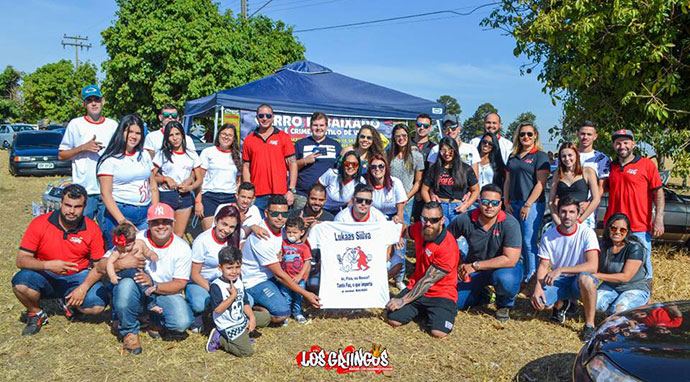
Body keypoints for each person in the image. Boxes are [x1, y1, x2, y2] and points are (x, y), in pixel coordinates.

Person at [11, 184, 108, 335]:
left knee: (97, 307)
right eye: (68, 205)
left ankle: (66, 303)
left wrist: (83, 288)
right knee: (21, 284)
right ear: (61, 203)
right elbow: (21, 260)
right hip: (44, 274)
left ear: (84, 207)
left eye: (77, 207)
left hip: (77, 276)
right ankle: (36, 313)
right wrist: (48, 265)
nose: (71, 211)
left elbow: (99, 266)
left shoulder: (92, 228)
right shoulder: (40, 223)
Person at [107, 203, 194, 354]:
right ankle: (129, 332)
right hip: (135, 289)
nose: (161, 226)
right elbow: (102, 264)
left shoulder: (182, 248)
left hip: (162, 292)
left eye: (165, 221)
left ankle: (149, 319)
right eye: (155, 222)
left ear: (173, 223)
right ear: (148, 224)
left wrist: (154, 285)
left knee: (181, 323)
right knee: (126, 285)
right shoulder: (135, 238)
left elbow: (180, 284)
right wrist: (122, 264)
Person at [449, 184, 522, 322]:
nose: (490, 206)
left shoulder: (510, 223)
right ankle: (484, 295)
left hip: (503, 269)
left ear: (500, 204)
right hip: (474, 269)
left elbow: (510, 259)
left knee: (506, 280)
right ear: (479, 202)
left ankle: (503, 304)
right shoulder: (465, 219)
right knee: (456, 302)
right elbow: (447, 240)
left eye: (494, 203)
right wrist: (459, 262)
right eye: (485, 202)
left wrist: (475, 265)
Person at [241, 195, 320, 323]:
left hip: (272, 277)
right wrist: (306, 294)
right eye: (275, 213)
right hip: (255, 281)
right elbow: (280, 275)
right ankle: (251, 305)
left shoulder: (284, 230)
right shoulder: (262, 237)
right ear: (266, 213)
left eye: (284, 214)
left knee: (289, 295)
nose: (280, 217)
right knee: (282, 314)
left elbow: (299, 247)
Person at [386, 202, 460, 338]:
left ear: (442, 221)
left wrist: (403, 301)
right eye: (424, 218)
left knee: (438, 332)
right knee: (393, 319)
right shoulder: (420, 228)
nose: (428, 223)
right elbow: (404, 232)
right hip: (416, 285)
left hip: (441, 293)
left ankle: (433, 312)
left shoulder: (448, 246)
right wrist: (396, 227)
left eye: (434, 220)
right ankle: (421, 311)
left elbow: (427, 281)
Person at [530, 196, 600, 342]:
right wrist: (538, 287)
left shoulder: (587, 233)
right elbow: (543, 265)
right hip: (560, 280)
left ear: (578, 213)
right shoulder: (549, 235)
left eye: (571, 212)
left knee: (586, 279)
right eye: (563, 212)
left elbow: (593, 265)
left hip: (578, 279)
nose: (567, 216)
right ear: (557, 212)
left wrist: (560, 270)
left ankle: (589, 325)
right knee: (541, 304)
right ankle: (564, 303)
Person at [604, 129, 664, 283]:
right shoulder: (610, 167)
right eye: (618, 143)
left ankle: (646, 300)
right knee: (614, 265)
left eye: (625, 142)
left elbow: (658, 193)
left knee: (644, 268)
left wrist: (659, 218)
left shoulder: (646, 165)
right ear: (613, 145)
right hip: (614, 227)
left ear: (633, 144)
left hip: (639, 227)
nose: (622, 146)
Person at [58, 85, 118, 223]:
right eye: (89, 100)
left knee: (108, 234)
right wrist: (83, 148)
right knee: (81, 231)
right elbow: (61, 155)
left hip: (108, 190)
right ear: (84, 104)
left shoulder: (112, 125)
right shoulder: (76, 124)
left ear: (103, 101)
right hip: (84, 190)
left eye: (96, 99)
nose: (94, 103)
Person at [97, 114, 158, 248]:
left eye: (138, 133)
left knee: (142, 253)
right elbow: (105, 194)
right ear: (121, 132)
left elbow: (152, 185)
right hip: (120, 212)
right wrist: (122, 220)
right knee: (120, 256)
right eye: (130, 131)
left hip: (144, 212)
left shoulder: (145, 155)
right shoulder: (110, 160)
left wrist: (154, 211)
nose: (134, 136)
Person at [504, 122, 550, 284]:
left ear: (535, 135)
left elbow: (541, 183)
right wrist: (506, 200)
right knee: (516, 240)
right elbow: (508, 181)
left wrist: (528, 204)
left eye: (530, 134)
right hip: (513, 202)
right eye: (522, 134)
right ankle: (521, 273)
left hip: (532, 204)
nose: (526, 137)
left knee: (529, 241)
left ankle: (533, 275)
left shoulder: (540, 156)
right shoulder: (513, 156)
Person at [205, 246, 271, 356]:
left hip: (240, 317)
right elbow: (217, 310)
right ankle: (220, 338)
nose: (234, 271)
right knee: (247, 352)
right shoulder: (216, 286)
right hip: (228, 324)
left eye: (238, 267)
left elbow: (245, 302)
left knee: (266, 318)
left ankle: (242, 335)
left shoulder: (238, 281)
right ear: (220, 268)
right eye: (229, 268)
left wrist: (252, 317)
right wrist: (233, 296)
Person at [187, 205, 242, 332]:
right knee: (200, 303)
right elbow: (194, 274)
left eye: (232, 227)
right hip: (201, 282)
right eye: (224, 224)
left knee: (247, 300)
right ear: (216, 220)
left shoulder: (233, 239)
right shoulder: (202, 241)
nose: (227, 230)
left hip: (224, 280)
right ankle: (198, 315)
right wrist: (214, 290)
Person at [242, 104, 297, 210]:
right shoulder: (249, 139)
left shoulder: (283, 137)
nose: (265, 118)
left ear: (273, 117)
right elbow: (246, 167)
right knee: (255, 225)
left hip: (280, 193)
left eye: (268, 115)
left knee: (279, 225)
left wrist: (291, 190)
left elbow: (292, 164)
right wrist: (248, 192)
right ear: (257, 117)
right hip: (257, 195)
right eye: (261, 115)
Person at [152, 121, 203, 237]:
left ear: (182, 135)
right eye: (171, 135)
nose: (175, 138)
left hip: (185, 198)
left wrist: (189, 186)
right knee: (165, 234)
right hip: (166, 196)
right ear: (167, 138)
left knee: (178, 235)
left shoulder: (192, 155)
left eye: (177, 134)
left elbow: (199, 180)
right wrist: (165, 179)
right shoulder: (162, 154)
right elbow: (151, 177)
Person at [594, 213, 650, 315]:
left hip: (634, 288)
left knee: (618, 310)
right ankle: (616, 311)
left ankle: (637, 307)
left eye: (622, 230)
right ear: (608, 229)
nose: (617, 232)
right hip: (611, 286)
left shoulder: (635, 248)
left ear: (627, 232)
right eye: (613, 228)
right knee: (594, 303)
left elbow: (626, 277)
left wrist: (596, 275)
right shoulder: (602, 246)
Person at [421, 137, 479, 227]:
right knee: (441, 238)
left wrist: (467, 205)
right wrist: (431, 206)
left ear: (455, 150)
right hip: (440, 207)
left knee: (460, 239)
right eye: (443, 150)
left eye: (450, 150)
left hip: (458, 207)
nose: (447, 153)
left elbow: (476, 190)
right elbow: (424, 190)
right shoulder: (434, 169)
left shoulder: (465, 169)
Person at [105, 223, 162, 314]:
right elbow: (109, 263)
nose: (124, 249)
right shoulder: (117, 250)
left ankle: (151, 304)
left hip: (141, 271)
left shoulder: (140, 244)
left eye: (127, 246)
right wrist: (112, 276)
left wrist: (152, 256)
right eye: (121, 246)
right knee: (133, 272)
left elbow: (147, 252)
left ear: (134, 240)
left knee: (149, 279)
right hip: (124, 273)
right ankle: (145, 290)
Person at [195, 123, 242, 231]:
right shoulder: (208, 152)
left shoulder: (237, 155)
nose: (226, 137)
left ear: (234, 138)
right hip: (209, 197)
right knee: (209, 232)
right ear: (218, 135)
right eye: (224, 134)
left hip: (229, 197)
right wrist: (198, 202)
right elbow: (199, 180)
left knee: (227, 231)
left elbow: (238, 181)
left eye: (230, 135)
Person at [289, 183, 334, 293]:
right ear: (307, 198)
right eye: (313, 199)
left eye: (320, 200)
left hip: (320, 263)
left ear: (325, 200)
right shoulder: (294, 215)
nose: (317, 203)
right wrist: (302, 228)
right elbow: (290, 247)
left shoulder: (330, 219)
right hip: (296, 261)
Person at [294, 112, 342, 211]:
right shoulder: (300, 144)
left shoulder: (335, 145)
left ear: (327, 127)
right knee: (300, 225)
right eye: (315, 125)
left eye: (321, 125)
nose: (318, 128)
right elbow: (291, 167)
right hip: (303, 195)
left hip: (327, 198)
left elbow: (340, 170)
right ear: (310, 127)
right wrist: (304, 161)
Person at [548, 142, 601, 229]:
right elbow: (550, 201)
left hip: (582, 219)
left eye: (570, 155)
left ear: (576, 155)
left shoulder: (587, 171)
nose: (567, 158)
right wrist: (557, 221)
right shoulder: (558, 173)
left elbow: (596, 199)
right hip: (562, 219)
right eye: (563, 156)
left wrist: (579, 220)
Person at [277, 217, 312, 324]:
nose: (291, 235)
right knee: (286, 296)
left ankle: (298, 313)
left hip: (298, 278)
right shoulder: (283, 243)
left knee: (298, 296)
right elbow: (279, 256)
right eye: (289, 232)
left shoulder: (304, 247)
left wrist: (300, 276)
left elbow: (307, 262)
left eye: (294, 232)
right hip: (285, 278)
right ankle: (286, 315)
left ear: (301, 232)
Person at [387, 123, 424, 223]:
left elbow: (418, 181)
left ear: (408, 136)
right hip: (389, 199)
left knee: (404, 230)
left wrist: (406, 198)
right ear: (394, 138)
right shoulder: (387, 155)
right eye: (398, 136)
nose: (401, 138)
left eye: (404, 135)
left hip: (407, 200)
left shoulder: (417, 156)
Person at [318, 150, 366, 215]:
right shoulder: (332, 174)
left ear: (358, 166)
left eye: (354, 164)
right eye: (347, 163)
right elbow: (317, 188)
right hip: (324, 209)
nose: (350, 166)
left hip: (343, 211)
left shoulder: (361, 181)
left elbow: (355, 201)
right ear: (343, 164)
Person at [411, 113, 437, 221]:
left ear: (430, 127)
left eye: (425, 126)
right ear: (415, 126)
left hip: (424, 193)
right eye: (419, 124)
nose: (422, 128)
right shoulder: (406, 144)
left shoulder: (434, 148)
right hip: (407, 191)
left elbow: (434, 173)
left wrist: (423, 192)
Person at [367, 154, 407, 223]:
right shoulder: (365, 184)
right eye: (373, 167)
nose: (377, 169)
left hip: (393, 217)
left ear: (386, 168)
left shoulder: (395, 182)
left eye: (381, 166)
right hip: (374, 219)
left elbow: (401, 203)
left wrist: (399, 216)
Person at [576, 121, 611, 191]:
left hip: (590, 201)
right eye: (582, 134)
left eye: (589, 134)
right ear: (577, 134)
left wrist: (592, 202)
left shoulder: (602, 159)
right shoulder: (568, 156)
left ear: (595, 136)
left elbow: (602, 187)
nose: (585, 137)